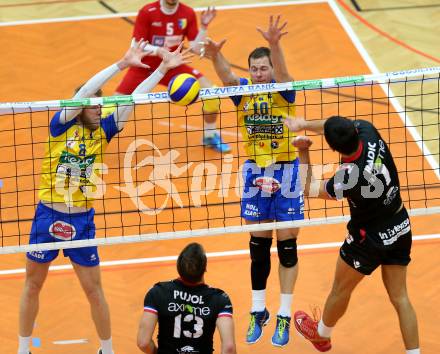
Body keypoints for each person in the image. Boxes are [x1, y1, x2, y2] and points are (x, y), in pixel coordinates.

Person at [17, 40, 191, 354]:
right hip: (47, 216)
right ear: (79, 106)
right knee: (32, 284)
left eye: (101, 106)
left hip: (81, 220)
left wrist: (163, 69)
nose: (99, 109)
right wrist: (121, 64)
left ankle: (107, 349)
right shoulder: (61, 125)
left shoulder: (104, 131)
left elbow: (134, 98)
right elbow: (84, 93)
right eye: (94, 105)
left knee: (94, 290)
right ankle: (23, 348)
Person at [203, 15, 303, 347]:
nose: (259, 73)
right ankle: (258, 310)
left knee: (287, 248)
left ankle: (284, 315)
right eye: (255, 69)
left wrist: (275, 45)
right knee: (258, 248)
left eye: (264, 68)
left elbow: (286, 73)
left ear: (272, 69)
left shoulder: (282, 91)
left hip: (287, 171)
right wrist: (216, 54)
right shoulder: (244, 93)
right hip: (255, 174)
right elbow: (226, 76)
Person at [287, 116, 420, 353]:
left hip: (367, 239)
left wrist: (304, 150)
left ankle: (321, 337)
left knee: (340, 289)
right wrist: (305, 123)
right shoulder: (368, 131)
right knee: (401, 298)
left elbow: (309, 188)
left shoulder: (347, 178)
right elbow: (334, 124)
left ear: (332, 147)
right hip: (400, 224)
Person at [115, 0, 230, 153]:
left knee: (212, 94)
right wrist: (159, 51)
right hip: (144, 67)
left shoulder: (187, 13)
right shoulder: (147, 11)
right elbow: (136, 44)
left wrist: (204, 26)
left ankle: (209, 136)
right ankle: (95, 139)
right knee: (113, 106)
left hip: (174, 67)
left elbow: (196, 48)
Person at [137, 242, 236, 354]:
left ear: (178, 266)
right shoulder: (220, 299)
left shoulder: (158, 292)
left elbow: (143, 342)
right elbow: (229, 348)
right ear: (205, 268)